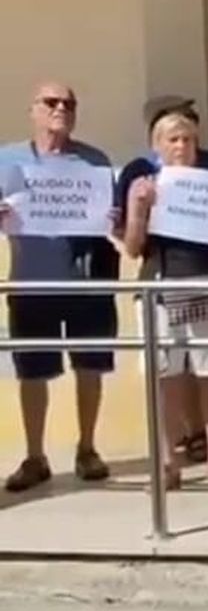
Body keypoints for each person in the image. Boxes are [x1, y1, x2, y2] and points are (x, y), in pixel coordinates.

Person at [115, 112, 208, 488]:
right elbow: (132, 247)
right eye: (173, 139)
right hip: (159, 286)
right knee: (164, 377)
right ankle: (167, 460)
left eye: (187, 139)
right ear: (157, 145)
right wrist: (140, 209)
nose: (181, 146)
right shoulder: (139, 176)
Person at [0, 82, 116, 492]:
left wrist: (113, 217)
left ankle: (87, 448)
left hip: (86, 284)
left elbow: (111, 222)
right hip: (31, 283)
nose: (61, 108)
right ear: (32, 110)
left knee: (90, 368)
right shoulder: (7, 160)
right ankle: (35, 457)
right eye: (51, 102)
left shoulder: (94, 161)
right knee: (33, 373)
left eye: (69, 103)